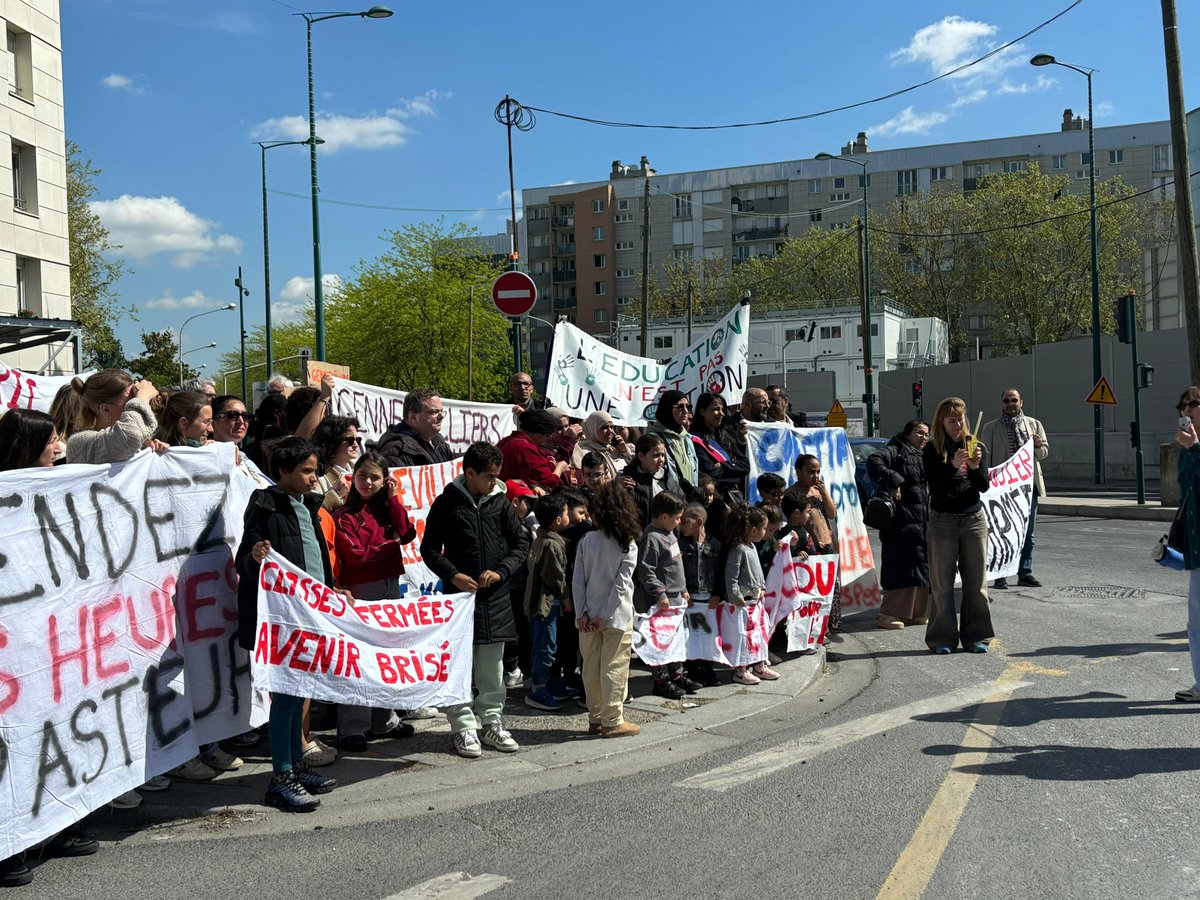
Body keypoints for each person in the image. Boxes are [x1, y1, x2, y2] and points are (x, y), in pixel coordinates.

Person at [235, 436, 340, 811]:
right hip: (282, 621)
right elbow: (243, 563)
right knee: (284, 701)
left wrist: (330, 591)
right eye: (307, 471)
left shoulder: (309, 507)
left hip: (309, 615)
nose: (315, 478)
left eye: (315, 471)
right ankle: (280, 780)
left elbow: (315, 560)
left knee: (299, 698)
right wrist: (255, 554)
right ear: (284, 472)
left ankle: (295, 765)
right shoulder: (264, 505)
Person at [421, 442, 531, 759]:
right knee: (459, 667)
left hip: (495, 599)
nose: (495, 482)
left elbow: (520, 546)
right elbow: (429, 549)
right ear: (469, 473)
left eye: (497, 475)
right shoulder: (446, 503)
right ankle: (463, 727)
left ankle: (492, 723)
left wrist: (501, 572)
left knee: (493, 669)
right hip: (459, 601)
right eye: (489, 476)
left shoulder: (501, 503)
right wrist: (453, 575)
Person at [333, 451, 419, 749]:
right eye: (362, 476)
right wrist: (390, 547)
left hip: (390, 585)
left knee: (387, 653)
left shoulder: (386, 508)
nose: (367, 482)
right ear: (352, 477)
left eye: (374, 477)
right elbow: (355, 555)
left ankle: (384, 719)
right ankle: (352, 727)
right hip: (361, 590)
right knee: (358, 656)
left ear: (385, 481)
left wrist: (394, 500)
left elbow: (407, 534)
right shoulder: (345, 515)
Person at [923, 397, 993, 655]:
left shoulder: (976, 445)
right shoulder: (932, 449)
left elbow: (983, 486)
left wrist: (974, 468)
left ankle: (977, 636)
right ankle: (942, 638)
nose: (956, 424)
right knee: (942, 584)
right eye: (951, 420)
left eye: (960, 419)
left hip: (973, 519)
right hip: (942, 521)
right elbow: (936, 486)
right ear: (941, 422)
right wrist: (952, 466)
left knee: (976, 584)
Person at [572, 482, 641, 738]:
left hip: (587, 615)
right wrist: (605, 615)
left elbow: (577, 580)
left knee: (590, 666)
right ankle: (613, 720)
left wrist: (582, 613)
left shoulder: (586, 540)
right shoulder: (627, 544)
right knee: (614, 666)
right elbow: (621, 586)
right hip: (616, 616)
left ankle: (595, 718)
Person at [978, 388, 1049, 589]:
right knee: (1001, 532)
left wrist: (1036, 446)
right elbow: (986, 459)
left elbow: (1044, 453)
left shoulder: (1034, 425)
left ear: (1021, 402)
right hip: (1002, 490)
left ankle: (1025, 572)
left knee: (1028, 533)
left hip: (1028, 489)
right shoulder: (991, 428)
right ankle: (1000, 574)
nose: (1010, 403)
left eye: (1014, 400)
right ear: (1002, 403)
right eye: (1006, 400)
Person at [633, 491, 700, 699]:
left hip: (676, 598)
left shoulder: (670, 534)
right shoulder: (652, 538)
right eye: (677, 518)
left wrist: (683, 589)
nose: (680, 522)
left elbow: (675, 565)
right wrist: (659, 593)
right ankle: (661, 681)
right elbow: (646, 569)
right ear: (663, 517)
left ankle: (677, 675)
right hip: (661, 602)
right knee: (660, 642)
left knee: (676, 639)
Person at [866, 420, 931, 629]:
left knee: (920, 563)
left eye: (926, 434)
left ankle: (913, 613)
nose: (923, 437)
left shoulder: (922, 454)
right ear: (907, 433)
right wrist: (894, 479)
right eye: (919, 433)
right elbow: (874, 461)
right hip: (900, 519)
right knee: (899, 564)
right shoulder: (896, 449)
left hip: (921, 519)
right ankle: (888, 613)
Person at [523, 494, 573, 712]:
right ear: (557, 520)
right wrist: (566, 598)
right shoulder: (551, 544)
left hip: (538, 603)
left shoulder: (541, 539)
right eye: (565, 512)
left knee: (545, 644)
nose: (568, 515)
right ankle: (538, 689)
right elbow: (556, 577)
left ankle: (547, 683)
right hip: (543, 605)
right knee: (546, 646)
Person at [784, 454, 840, 637]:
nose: (815, 476)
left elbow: (831, 514)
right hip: (808, 548)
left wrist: (824, 493)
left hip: (826, 544)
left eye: (817, 472)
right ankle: (811, 629)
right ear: (798, 471)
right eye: (810, 472)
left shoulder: (818, 491)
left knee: (830, 587)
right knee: (810, 590)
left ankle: (828, 627)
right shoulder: (792, 493)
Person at [724, 502, 779, 684]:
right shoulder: (739, 549)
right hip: (743, 603)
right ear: (753, 530)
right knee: (743, 637)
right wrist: (736, 596)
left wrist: (762, 588)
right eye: (764, 528)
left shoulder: (752, 547)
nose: (765, 532)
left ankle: (759, 665)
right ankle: (740, 670)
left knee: (759, 633)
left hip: (755, 601)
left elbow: (758, 573)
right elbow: (731, 576)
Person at [66, 370, 167, 464]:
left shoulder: (127, 441)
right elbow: (130, 436)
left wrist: (151, 449)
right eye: (130, 402)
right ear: (106, 409)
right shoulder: (79, 445)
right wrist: (142, 398)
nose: (134, 405)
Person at [1174, 387, 1200, 701]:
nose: (1186, 410)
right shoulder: (1185, 448)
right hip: (1196, 544)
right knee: (1195, 619)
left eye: (1192, 404)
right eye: (1182, 406)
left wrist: (1195, 448)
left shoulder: (1192, 447)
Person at [679, 503, 722, 687]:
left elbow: (721, 571)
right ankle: (693, 668)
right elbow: (677, 570)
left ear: (699, 522)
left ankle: (708, 667)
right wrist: (683, 590)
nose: (681, 525)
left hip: (709, 599)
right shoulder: (681, 545)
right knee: (691, 635)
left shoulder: (715, 545)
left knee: (709, 634)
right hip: (691, 598)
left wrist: (718, 594)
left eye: (684, 522)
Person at [377, 388, 458, 468]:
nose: (442, 416)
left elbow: (451, 462)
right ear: (413, 417)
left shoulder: (437, 439)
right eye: (434, 412)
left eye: (441, 411)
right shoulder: (396, 448)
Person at [690, 392, 749, 499]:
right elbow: (711, 472)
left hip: (735, 494)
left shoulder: (727, 436)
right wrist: (733, 468)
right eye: (716, 409)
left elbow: (745, 466)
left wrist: (722, 465)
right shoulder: (695, 440)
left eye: (722, 409)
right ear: (702, 411)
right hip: (715, 497)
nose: (721, 413)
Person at [497, 409, 569, 492]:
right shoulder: (526, 449)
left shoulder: (506, 440)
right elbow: (550, 482)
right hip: (515, 497)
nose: (548, 438)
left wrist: (549, 464)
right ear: (538, 432)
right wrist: (559, 468)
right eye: (547, 435)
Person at [646, 390, 701, 501]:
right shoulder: (654, 438)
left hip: (688, 501)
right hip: (666, 503)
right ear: (667, 409)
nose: (686, 411)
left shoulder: (687, 438)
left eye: (688, 406)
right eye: (680, 407)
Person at [626, 432, 685, 527]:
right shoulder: (628, 479)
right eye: (656, 455)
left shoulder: (667, 478)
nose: (661, 459)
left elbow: (681, 504)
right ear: (641, 456)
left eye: (662, 455)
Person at [310, 415, 361, 513]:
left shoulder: (360, 470)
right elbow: (313, 512)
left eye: (358, 440)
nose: (356, 445)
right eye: (350, 440)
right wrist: (334, 495)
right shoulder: (317, 477)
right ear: (332, 441)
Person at [571, 410, 633, 480]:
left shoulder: (614, 450)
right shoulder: (583, 452)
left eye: (612, 427)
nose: (610, 431)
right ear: (593, 429)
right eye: (605, 427)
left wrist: (625, 452)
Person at [717, 386, 769, 469]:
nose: (767, 406)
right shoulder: (728, 428)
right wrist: (741, 441)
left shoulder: (771, 425)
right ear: (748, 404)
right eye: (762, 402)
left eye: (768, 402)